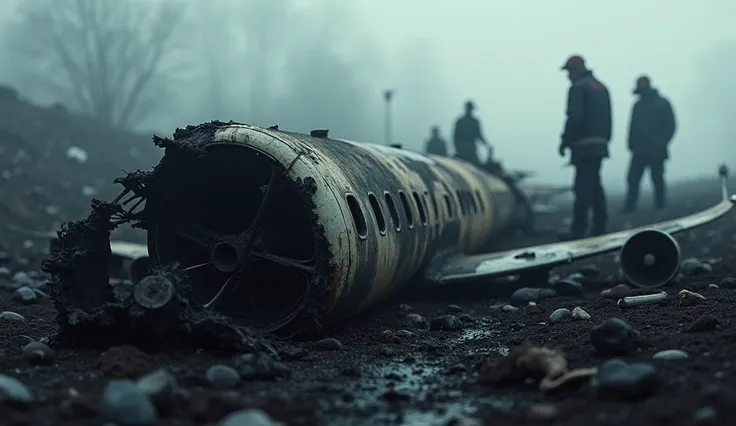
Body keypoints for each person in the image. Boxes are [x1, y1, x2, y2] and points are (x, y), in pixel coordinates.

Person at [558, 55, 612, 240]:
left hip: (583, 146)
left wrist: (565, 141)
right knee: (595, 186)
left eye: (568, 71)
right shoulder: (601, 87)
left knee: (581, 187)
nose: (568, 76)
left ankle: (578, 230)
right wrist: (605, 140)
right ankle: (600, 226)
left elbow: (575, 117)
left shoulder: (578, 88)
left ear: (575, 70)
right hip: (600, 144)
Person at [621, 75, 677, 212]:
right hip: (640, 149)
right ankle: (631, 205)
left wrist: (662, 141)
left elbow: (671, 125)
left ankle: (660, 204)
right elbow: (632, 126)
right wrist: (631, 143)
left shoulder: (662, 103)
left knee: (656, 178)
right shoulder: (638, 105)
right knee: (633, 178)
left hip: (655, 148)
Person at [452, 100, 490, 166]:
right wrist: (486, 145)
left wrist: (486, 144)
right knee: (476, 167)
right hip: (468, 148)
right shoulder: (473, 121)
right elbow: (479, 135)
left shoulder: (460, 121)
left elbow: (455, 137)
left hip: (464, 148)